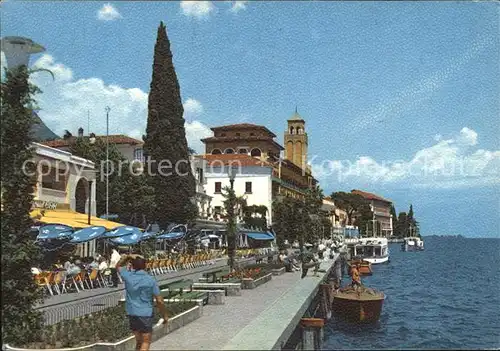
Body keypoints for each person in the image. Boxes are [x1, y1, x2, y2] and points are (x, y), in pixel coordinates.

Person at [117, 254, 169, 351]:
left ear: (132, 266)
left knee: (139, 341)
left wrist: (128, 257)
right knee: (145, 342)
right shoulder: (150, 279)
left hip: (132, 312)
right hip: (145, 314)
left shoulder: (128, 276)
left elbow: (118, 266)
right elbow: (159, 300)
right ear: (145, 266)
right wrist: (164, 315)